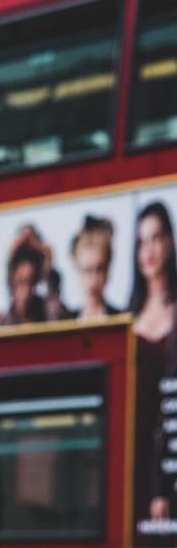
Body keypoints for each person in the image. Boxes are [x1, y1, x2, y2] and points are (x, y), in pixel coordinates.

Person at [127, 202, 177, 525]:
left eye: (156, 238)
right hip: (133, 460)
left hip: (170, 464)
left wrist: (161, 487)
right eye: (142, 241)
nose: (149, 249)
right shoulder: (127, 318)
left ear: (170, 243)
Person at [71, 215, 120, 320]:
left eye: (99, 270)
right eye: (87, 271)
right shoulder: (65, 321)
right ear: (77, 269)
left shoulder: (121, 319)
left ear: (107, 271)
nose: (93, 280)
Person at [2, 242, 47, 326]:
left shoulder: (47, 315)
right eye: (21, 282)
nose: (26, 290)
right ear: (11, 281)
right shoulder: (4, 323)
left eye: (31, 282)